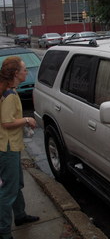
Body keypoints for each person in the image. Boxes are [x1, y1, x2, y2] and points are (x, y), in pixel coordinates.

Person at [0, 56, 39, 239]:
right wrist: (27, 119)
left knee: (17, 185)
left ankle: (21, 216)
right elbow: (7, 122)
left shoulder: (10, 91)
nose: (27, 72)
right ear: (16, 74)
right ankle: (4, 232)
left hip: (12, 146)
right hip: (7, 148)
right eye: (24, 70)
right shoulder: (10, 95)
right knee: (8, 192)